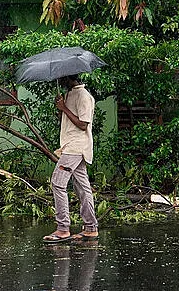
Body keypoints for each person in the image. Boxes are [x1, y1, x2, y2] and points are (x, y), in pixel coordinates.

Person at [43, 74, 98, 243]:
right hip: (70, 146)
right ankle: (90, 228)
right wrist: (60, 108)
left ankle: (62, 228)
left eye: (62, 79)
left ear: (69, 78)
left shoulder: (84, 96)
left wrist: (65, 108)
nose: (59, 82)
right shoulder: (69, 94)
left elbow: (83, 124)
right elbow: (65, 120)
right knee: (82, 186)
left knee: (58, 182)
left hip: (76, 147)